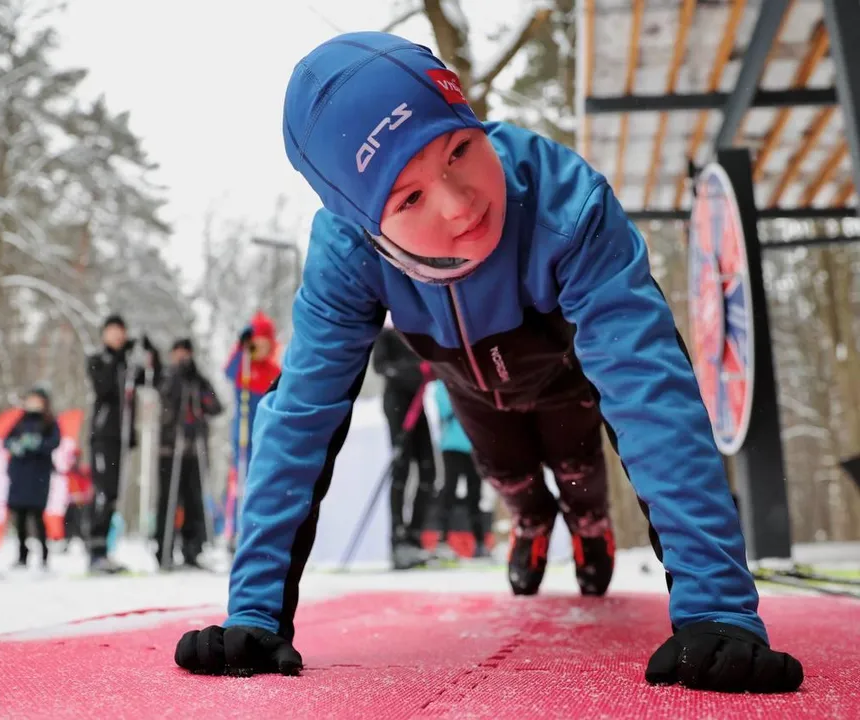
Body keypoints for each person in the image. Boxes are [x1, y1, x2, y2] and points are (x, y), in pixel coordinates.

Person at [174, 33, 803, 693]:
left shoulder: (566, 200)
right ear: (366, 226)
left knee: (580, 474)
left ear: (475, 122)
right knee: (511, 479)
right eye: (408, 199)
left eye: (460, 151)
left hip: (568, 381)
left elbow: (652, 392)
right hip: (472, 389)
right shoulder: (347, 256)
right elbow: (301, 416)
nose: (460, 202)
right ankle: (533, 523)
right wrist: (255, 612)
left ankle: (589, 530)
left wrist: (717, 608)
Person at [85, 314, 160, 573]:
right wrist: (121, 359)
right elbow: (103, 388)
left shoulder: (127, 366)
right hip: (103, 437)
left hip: (123, 438)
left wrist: (153, 354)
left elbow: (153, 379)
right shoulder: (98, 360)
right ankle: (95, 551)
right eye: (113, 331)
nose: (118, 336)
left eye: (121, 331)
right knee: (103, 493)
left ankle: (105, 550)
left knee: (114, 495)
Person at [371, 321, 436, 569]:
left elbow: (435, 363)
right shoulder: (387, 331)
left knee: (429, 471)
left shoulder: (420, 326)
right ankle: (398, 541)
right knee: (402, 469)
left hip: (418, 402)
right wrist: (416, 371)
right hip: (397, 401)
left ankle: (414, 535)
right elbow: (380, 366)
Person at [155, 338, 223, 569]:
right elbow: (164, 399)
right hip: (170, 451)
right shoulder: (166, 377)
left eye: (186, 353)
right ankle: (163, 550)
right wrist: (177, 376)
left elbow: (215, 407)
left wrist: (198, 383)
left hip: (194, 452)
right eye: (178, 353)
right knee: (168, 501)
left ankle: (193, 549)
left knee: (194, 501)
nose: (182, 357)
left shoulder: (199, 380)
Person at [223, 310, 279, 550]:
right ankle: (234, 531)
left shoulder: (272, 371)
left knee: (263, 481)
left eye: (265, 344)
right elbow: (228, 372)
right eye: (257, 343)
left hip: (265, 432)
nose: (261, 349)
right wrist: (240, 347)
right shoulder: (243, 366)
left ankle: (260, 529)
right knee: (241, 482)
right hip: (243, 434)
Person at [4, 387, 61, 569]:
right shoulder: (19, 421)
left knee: (37, 516)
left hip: (38, 476)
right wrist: (16, 445)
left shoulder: (49, 422)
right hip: (20, 475)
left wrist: (37, 444)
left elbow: (54, 442)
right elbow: (6, 440)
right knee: (19, 518)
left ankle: (44, 554)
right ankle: (22, 555)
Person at [431, 379, 487, 560]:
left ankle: (479, 544)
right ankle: (442, 541)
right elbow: (446, 410)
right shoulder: (440, 386)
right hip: (451, 446)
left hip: (472, 445)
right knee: (449, 491)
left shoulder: (470, 381)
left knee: (475, 494)